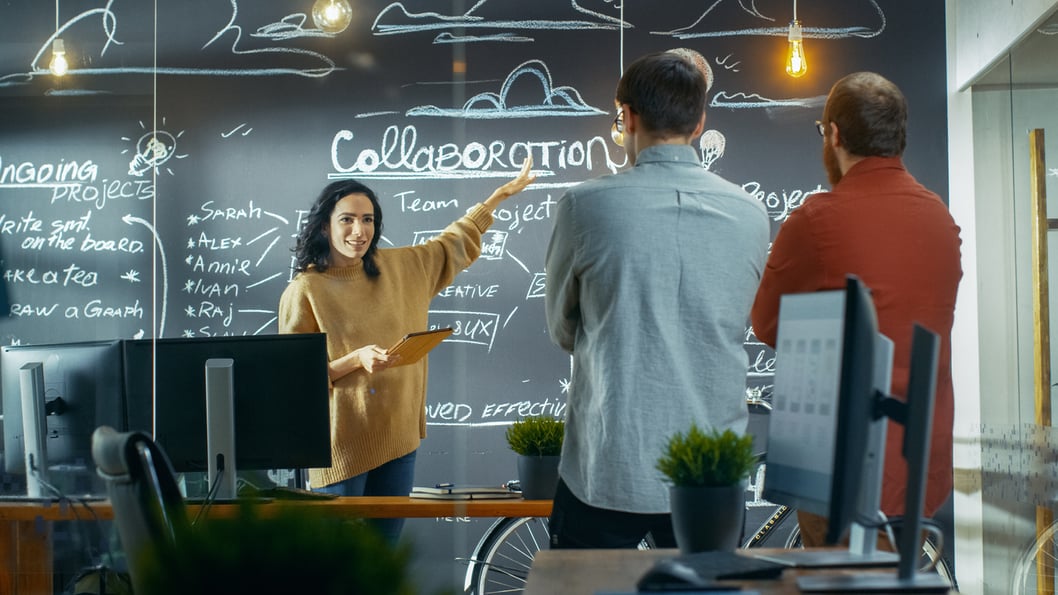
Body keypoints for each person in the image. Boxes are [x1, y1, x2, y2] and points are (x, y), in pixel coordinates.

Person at [543, 50, 770, 548]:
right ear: (700, 120)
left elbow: (562, 329)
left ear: (626, 116)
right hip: (710, 472)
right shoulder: (752, 214)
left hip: (609, 462)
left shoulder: (583, 206)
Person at [750, 71, 962, 547]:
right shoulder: (940, 219)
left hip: (837, 466)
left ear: (835, 135)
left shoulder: (817, 219)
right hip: (921, 459)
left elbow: (765, 324)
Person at [278, 158, 535, 543]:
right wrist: (356, 359)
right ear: (323, 225)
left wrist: (497, 198)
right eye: (347, 219)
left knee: (382, 564)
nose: (359, 230)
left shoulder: (400, 268)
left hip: (399, 439)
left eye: (368, 220)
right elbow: (291, 379)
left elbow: (452, 244)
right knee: (341, 571)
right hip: (342, 450)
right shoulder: (306, 290)